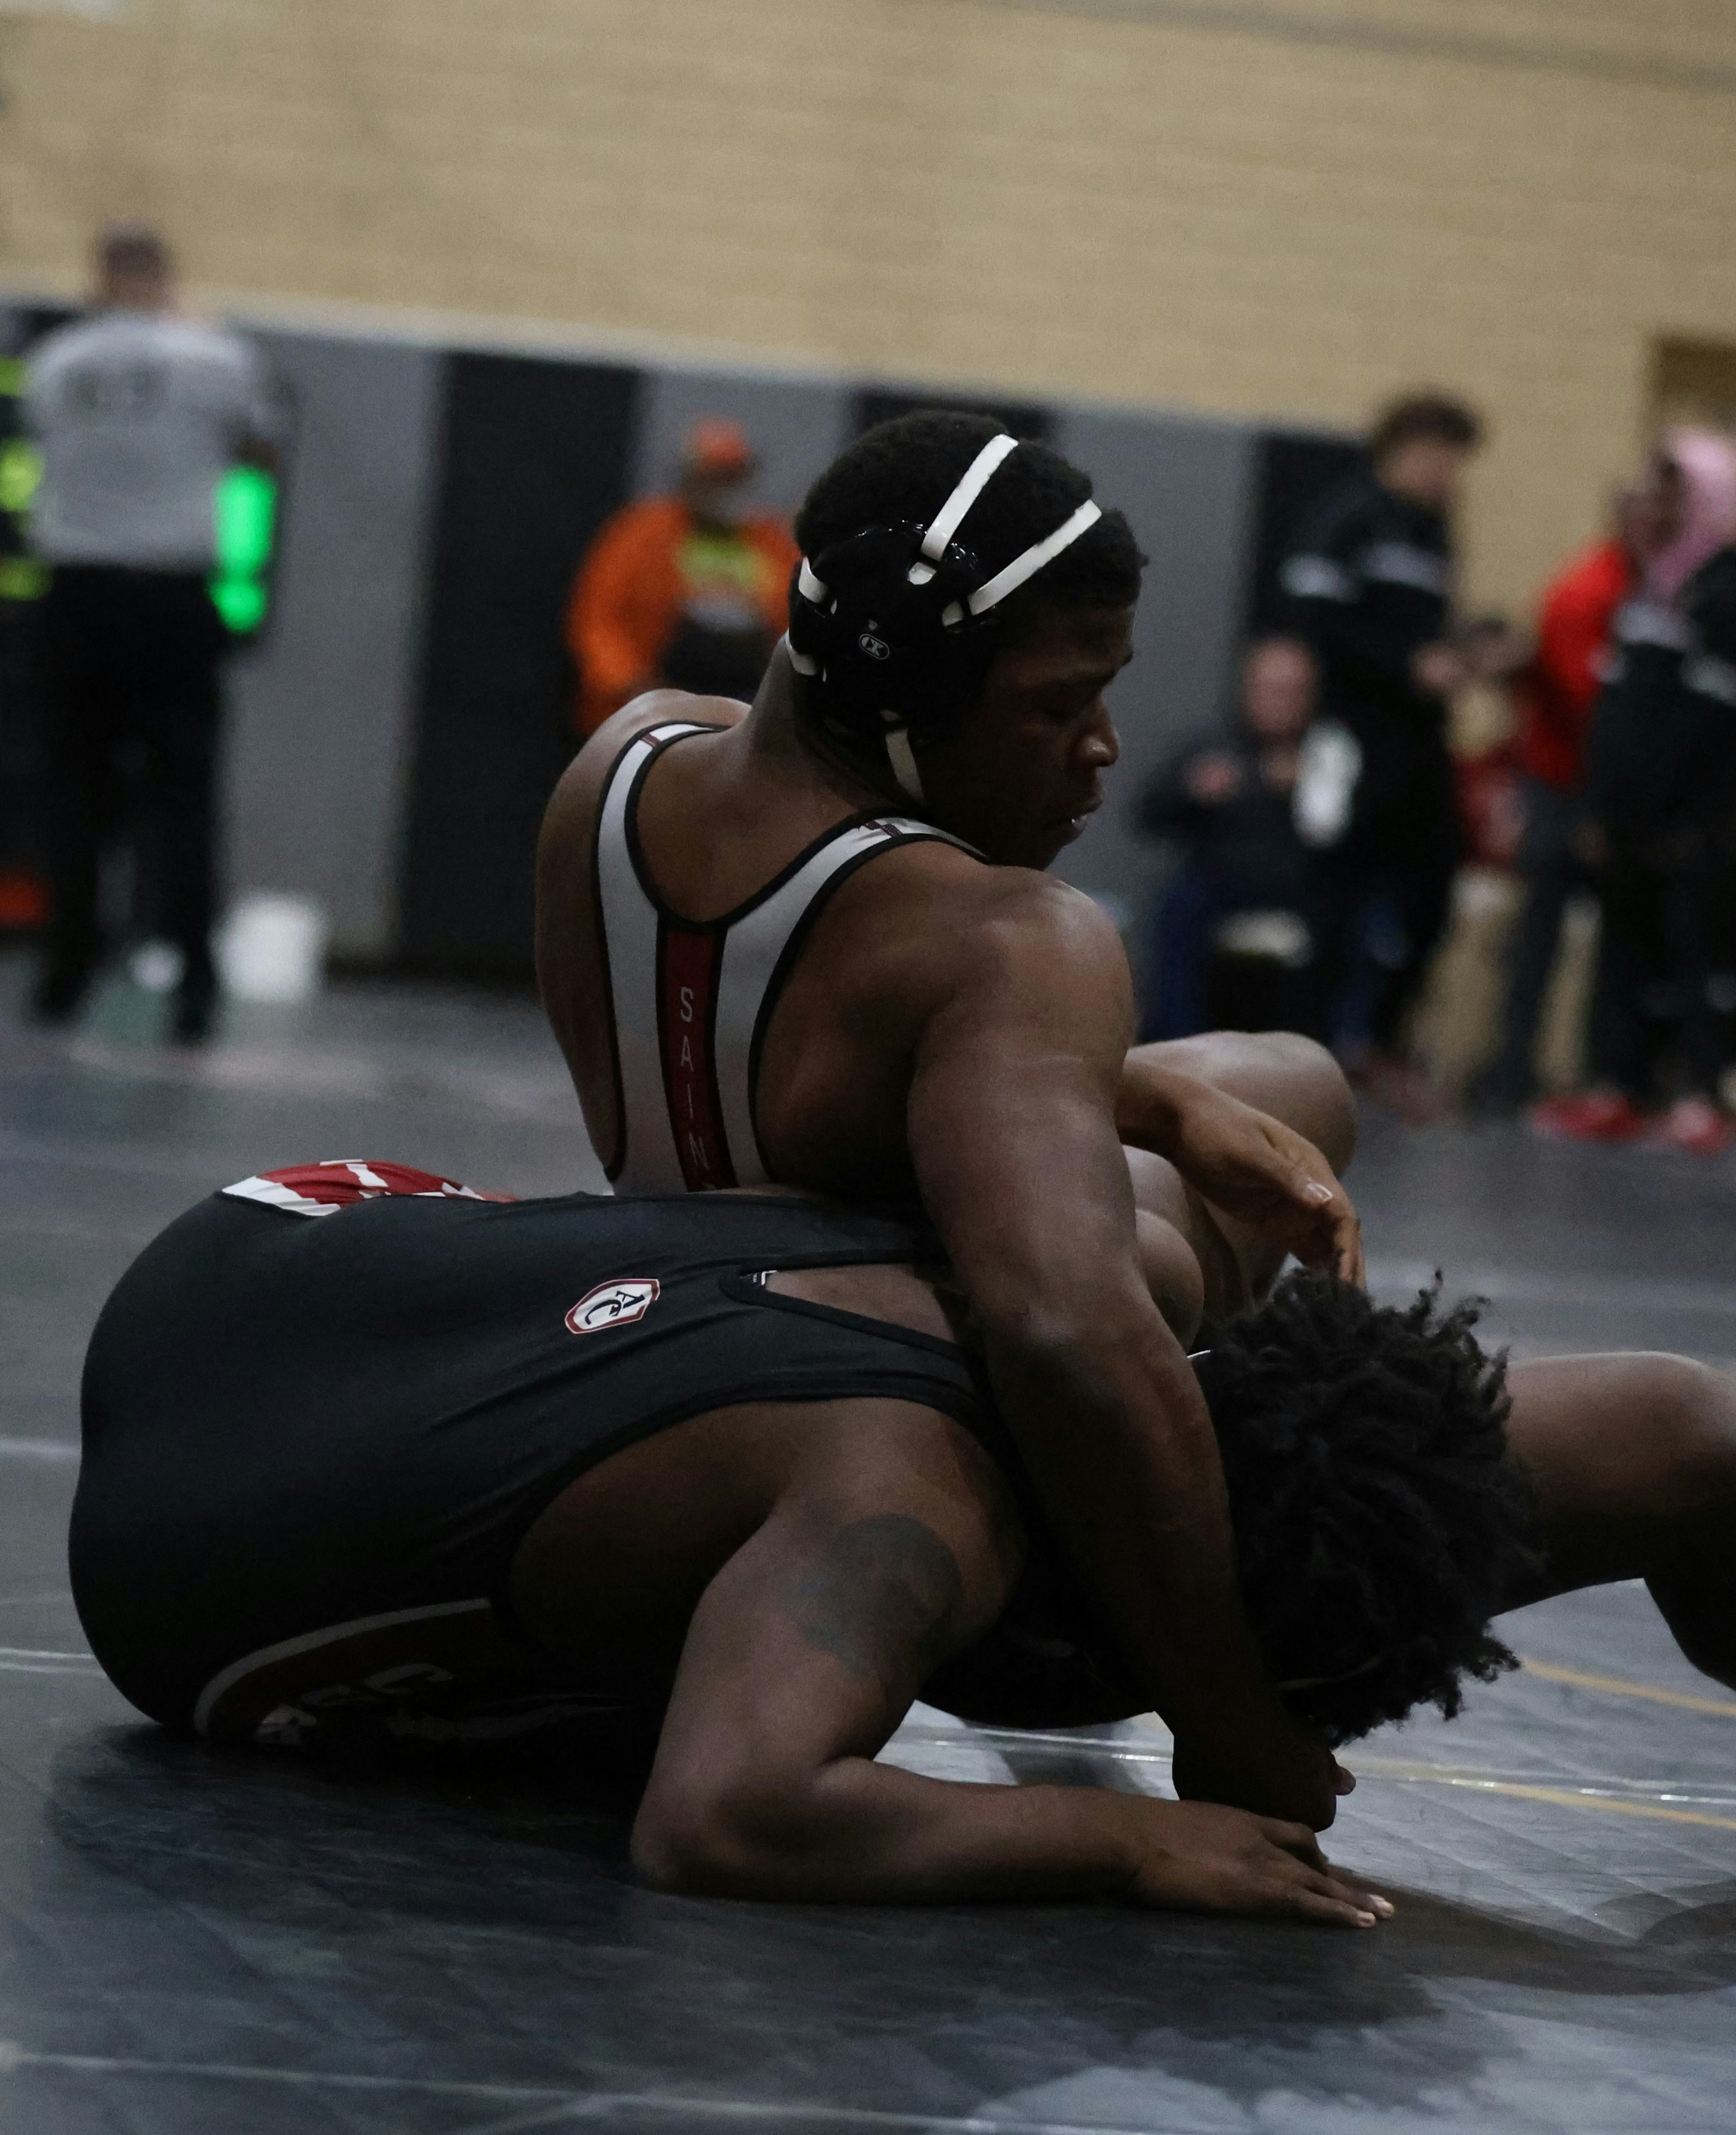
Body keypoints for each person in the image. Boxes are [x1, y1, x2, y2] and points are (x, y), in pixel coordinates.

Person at [67, 1142, 1736, 1911]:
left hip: (252, 1254)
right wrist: (1130, 1838)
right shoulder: (895, 1509)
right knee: (1679, 1424)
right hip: (183, 1605)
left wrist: (1175, 1097)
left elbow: (1281, 1070)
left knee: (1660, 1409)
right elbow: (724, 1818)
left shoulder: (1092, 1242)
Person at [534, 412, 1371, 1833]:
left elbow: (820, 1030)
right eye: (1055, 707)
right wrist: (1233, 1719)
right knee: (1144, 1270)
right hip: (879, 1433)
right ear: (903, 699)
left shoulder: (621, 764)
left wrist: (1160, 1095)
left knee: (1283, 1085)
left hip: (674, 1307)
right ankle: (1150, 1549)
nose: (1103, 748)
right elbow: (1059, 1324)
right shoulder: (978, 928)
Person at [22, 224, 287, 1041]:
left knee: (75, 792)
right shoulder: (218, 360)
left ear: (99, 278)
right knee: (184, 800)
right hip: (174, 599)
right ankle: (194, 989)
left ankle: (65, 973)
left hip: (78, 594)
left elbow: (45, 447)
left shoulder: (55, 363)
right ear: (168, 280)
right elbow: (261, 451)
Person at [1535, 432, 1736, 1154]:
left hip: (1687, 825)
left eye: (1675, 493)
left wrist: (1691, 816)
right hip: (1628, 818)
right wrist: (1602, 805)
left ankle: (1700, 1092)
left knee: (1694, 957)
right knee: (1623, 953)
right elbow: (1619, 711)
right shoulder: (1652, 585)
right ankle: (1620, 1085)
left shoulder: (1725, 594)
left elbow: (1718, 725)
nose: (1658, 505)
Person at [1277, 392, 1508, 1108]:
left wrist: (1469, 652)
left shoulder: (1435, 531)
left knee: (1433, 888)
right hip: (1352, 735)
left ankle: (1379, 1040)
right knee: (1336, 894)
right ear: (1404, 449)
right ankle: (1306, 1048)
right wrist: (1404, 664)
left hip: (1419, 742)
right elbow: (1311, 621)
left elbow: (1428, 631)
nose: (1449, 475)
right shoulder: (1350, 517)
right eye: (1440, 458)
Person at [1467, 472, 1665, 1119]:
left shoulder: (1644, 592)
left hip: (1598, 790)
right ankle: (1513, 1072)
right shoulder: (1589, 592)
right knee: (1541, 940)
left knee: (1605, 945)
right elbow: (1595, 707)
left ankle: (1596, 1074)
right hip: (1568, 788)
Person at [1136, 636, 1358, 1041]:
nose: (1280, 702)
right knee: (1178, 907)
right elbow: (1148, 814)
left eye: (1292, 692)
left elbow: (1351, 840)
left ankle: (1322, 1055)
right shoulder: (1218, 749)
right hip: (1217, 884)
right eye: (1270, 689)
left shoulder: (1330, 754)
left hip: (1302, 890)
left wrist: (1309, 792)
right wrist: (1193, 791)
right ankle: (1175, 1043)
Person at [566, 418, 799, 731]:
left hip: (746, 713)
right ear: (689, 476)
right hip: (646, 707)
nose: (724, 488)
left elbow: (797, 620)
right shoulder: (643, 531)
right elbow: (597, 621)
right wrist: (633, 687)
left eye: (733, 477)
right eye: (714, 476)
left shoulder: (771, 540)